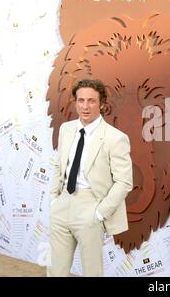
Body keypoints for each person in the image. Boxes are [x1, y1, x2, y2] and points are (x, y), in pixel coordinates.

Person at [48, 79, 133, 277]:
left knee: (92, 271)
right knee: (55, 270)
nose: (85, 106)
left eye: (91, 101)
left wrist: (100, 213)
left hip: (91, 206)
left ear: (102, 104)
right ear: (75, 102)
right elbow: (59, 165)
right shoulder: (66, 129)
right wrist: (54, 199)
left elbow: (124, 182)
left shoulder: (115, 137)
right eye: (81, 100)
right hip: (62, 204)